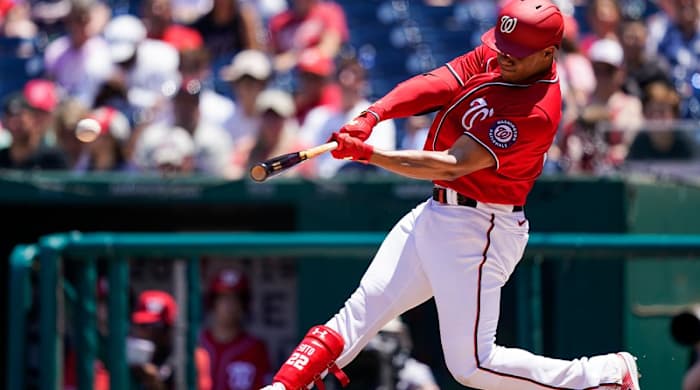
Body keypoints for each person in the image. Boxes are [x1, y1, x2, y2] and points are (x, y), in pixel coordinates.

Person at [261, 1, 641, 390]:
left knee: (473, 364)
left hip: (482, 226)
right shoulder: (505, 54)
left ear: (548, 53)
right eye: (503, 47)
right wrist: (372, 115)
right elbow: (440, 80)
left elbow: (450, 164)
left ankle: (602, 377)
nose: (504, 57)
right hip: (437, 212)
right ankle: (283, 386)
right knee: (359, 311)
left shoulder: (536, 110)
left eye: (517, 53)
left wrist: (369, 154)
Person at [200, 269, 272, 390]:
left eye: (236, 298)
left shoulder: (255, 348)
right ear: (213, 303)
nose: (230, 305)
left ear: (244, 304)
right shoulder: (198, 343)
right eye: (223, 298)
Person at [129, 290, 212, 389]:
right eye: (142, 325)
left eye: (155, 326)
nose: (146, 332)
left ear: (169, 329)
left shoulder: (189, 358)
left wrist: (155, 384)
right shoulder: (126, 354)